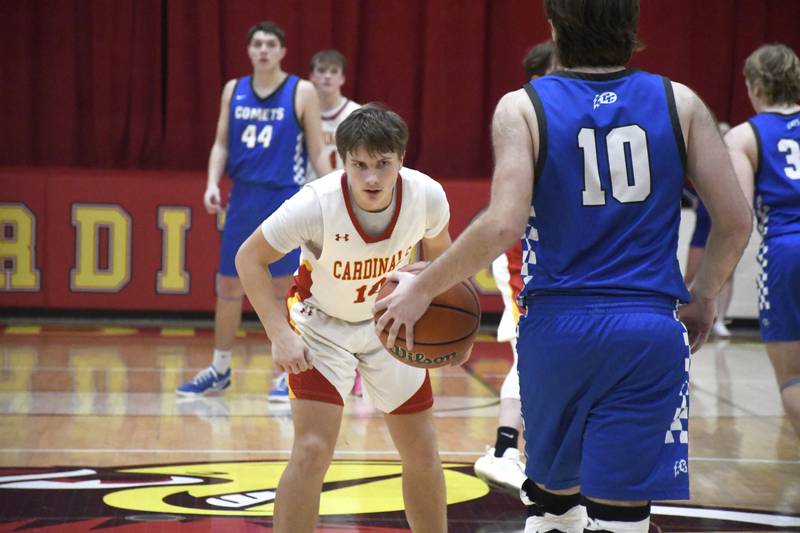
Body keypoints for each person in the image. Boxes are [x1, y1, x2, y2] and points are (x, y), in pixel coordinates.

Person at [375, 1, 752, 532]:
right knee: (624, 516)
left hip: (558, 329)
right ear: (632, 28)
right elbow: (735, 221)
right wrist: (704, 293)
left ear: (554, 30)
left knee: (554, 507)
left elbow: (502, 225)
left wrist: (425, 286)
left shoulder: (523, 107)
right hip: (647, 328)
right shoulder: (680, 102)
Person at [236, 104, 453, 533]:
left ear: (401, 160)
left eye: (383, 165)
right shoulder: (314, 205)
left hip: (390, 323)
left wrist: (447, 329)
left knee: (423, 450)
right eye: (360, 165)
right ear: (342, 161)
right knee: (313, 450)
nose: (372, 178)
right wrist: (279, 334)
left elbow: (444, 259)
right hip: (322, 326)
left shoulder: (426, 196)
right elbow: (249, 259)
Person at [176, 21, 332, 400]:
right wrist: (212, 183)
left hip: (284, 199)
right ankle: (220, 368)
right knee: (228, 287)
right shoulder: (234, 90)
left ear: (282, 52)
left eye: (271, 44)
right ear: (249, 51)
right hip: (243, 198)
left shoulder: (302, 90)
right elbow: (221, 145)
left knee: (283, 288)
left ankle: (287, 371)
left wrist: (333, 193)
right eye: (257, 44)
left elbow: (315, 149)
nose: (263, 49)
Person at [474, 39, 555, 494]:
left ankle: (511, 449)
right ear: (538, 77)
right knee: (532, 355)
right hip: (528, 255)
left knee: (540, 358)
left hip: (559, 257)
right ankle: (506, 450)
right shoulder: (525, 117)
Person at [725, 43, 800, 437]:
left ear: (754, 87)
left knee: (792, 380)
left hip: (786, 251)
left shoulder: (744, 136)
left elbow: (738, 214)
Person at [308, 49, 365, 396]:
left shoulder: (355, 114)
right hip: (309, 210)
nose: (327, 77)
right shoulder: (303, 110)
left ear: (342, 77)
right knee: (311, 293)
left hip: (346, 210)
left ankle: (357, 365)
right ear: (312, 75)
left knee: (348, 292)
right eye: (321, 70)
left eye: (333, 71)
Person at [684, 122, 735, 338]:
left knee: (726, 276)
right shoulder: (704, 161)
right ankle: (683, 315)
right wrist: (693, 198)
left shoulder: (735, 164)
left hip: (721, 230)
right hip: (702, 229)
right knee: (690, 274)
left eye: (726, 134)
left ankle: (720, 320)